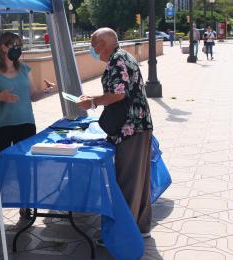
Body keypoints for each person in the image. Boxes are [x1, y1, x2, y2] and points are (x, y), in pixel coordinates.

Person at [76, 28, 153, 241]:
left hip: (131, 128)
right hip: (136, 126)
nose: (92, 48)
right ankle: (139, 227)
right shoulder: (121, 58)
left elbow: (118, 95)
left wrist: (92, 101)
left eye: (94, 44)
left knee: (127, 181)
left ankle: (122, 234)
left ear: (104, 44)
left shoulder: (118, 60)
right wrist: (93, 98)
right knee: (138, 180)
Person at [0, 32, 55, 223]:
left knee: (24, 165)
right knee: (0, 167)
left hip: (25, 123)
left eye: (20, 44)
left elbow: (33, 95)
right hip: (0, 126)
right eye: (14, 44)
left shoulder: (25, 69)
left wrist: (46, 92)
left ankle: (25, 204)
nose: (18, 48)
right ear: (3, 47)